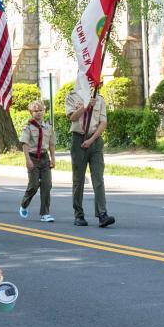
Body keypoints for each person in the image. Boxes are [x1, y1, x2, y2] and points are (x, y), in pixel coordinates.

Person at [65, 86, 113, 227]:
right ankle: (79, 215)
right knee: (78, 179)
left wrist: (91, 140)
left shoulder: (100, 99)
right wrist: (85, 107)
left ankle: (102, 214)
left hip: (95, 141)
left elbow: (103, 122)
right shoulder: (72, 96)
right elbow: (72, 117)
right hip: (78, 139)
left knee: (98, 178)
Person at [19, 99, 55, 221]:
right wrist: (28, 160)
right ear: (31, 112)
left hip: (45, 158)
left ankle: (45, 213)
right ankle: (24, 204)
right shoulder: (28, 127)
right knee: (34, 185)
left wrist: (53, 159)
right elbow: (25, 144)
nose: (39, 113)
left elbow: (51, 144)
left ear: (44, 111)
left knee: (47, 184)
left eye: (41, 110)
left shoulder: (48, 127)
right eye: (36, 111)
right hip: (33, 157)